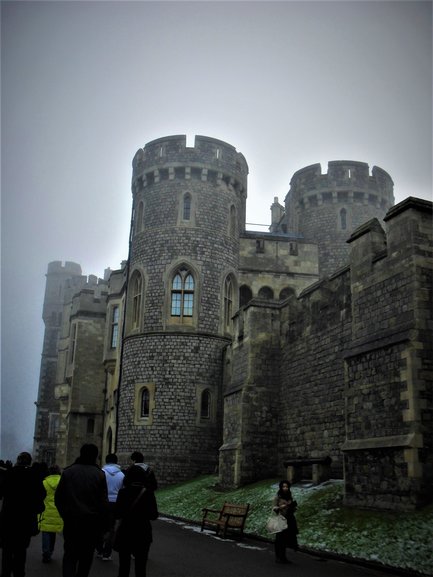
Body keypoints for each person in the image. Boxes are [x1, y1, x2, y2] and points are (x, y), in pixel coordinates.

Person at [55, 443, 109, 577]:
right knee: (86, 557)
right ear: (96, 456)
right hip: (91, 524)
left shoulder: (68, 472)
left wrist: (65, 515)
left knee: (70, 556)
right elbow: (103, 503)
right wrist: (103, 524)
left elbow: (59, 498)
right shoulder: (100, 475)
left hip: (72, 522)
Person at [0, 451, 46, 577]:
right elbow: (42, 495)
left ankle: (5, 573)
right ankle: (19, 573)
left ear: (18, 460)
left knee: (7, 551)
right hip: (25, 519)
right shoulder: (33, 476)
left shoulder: (10, 473)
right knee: (20, 551)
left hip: (8, 518)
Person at [113, 462, 158, 577]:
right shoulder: (148, 493)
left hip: (125, 532)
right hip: (143, 532)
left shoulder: (123, 493)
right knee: (141, 568)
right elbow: (154, 515)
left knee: (123, 567)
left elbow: (117, 514)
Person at [96, 453, 124, 561]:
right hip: (116, 503)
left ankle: (99, 549)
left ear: (106, 461)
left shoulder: (101, 472)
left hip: (103, 502)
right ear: (116, 461)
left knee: (100, 526)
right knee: (111, 528)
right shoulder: (121, 475)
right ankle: (107, 553)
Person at [39, 464, 63, 563]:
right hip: (58, 511)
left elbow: (40, 497)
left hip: (46, 510)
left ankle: (46, 552)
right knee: (53, 532)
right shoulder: (63, 482)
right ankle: (51, 551)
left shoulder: (44, 482)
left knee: (45, 532)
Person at [272, 480, 299, 564]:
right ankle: (278, 557)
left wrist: (293, 508)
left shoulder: (289, 496)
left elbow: (292, 507)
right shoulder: (278, 496)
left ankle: (283, 557)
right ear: (281, 487)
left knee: (285, 538)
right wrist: (280, 507)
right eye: (283, 487)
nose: (285, 488)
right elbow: (274, 508)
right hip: (281, 519)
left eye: (287, 487)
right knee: (279, 538)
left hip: (289, 519)